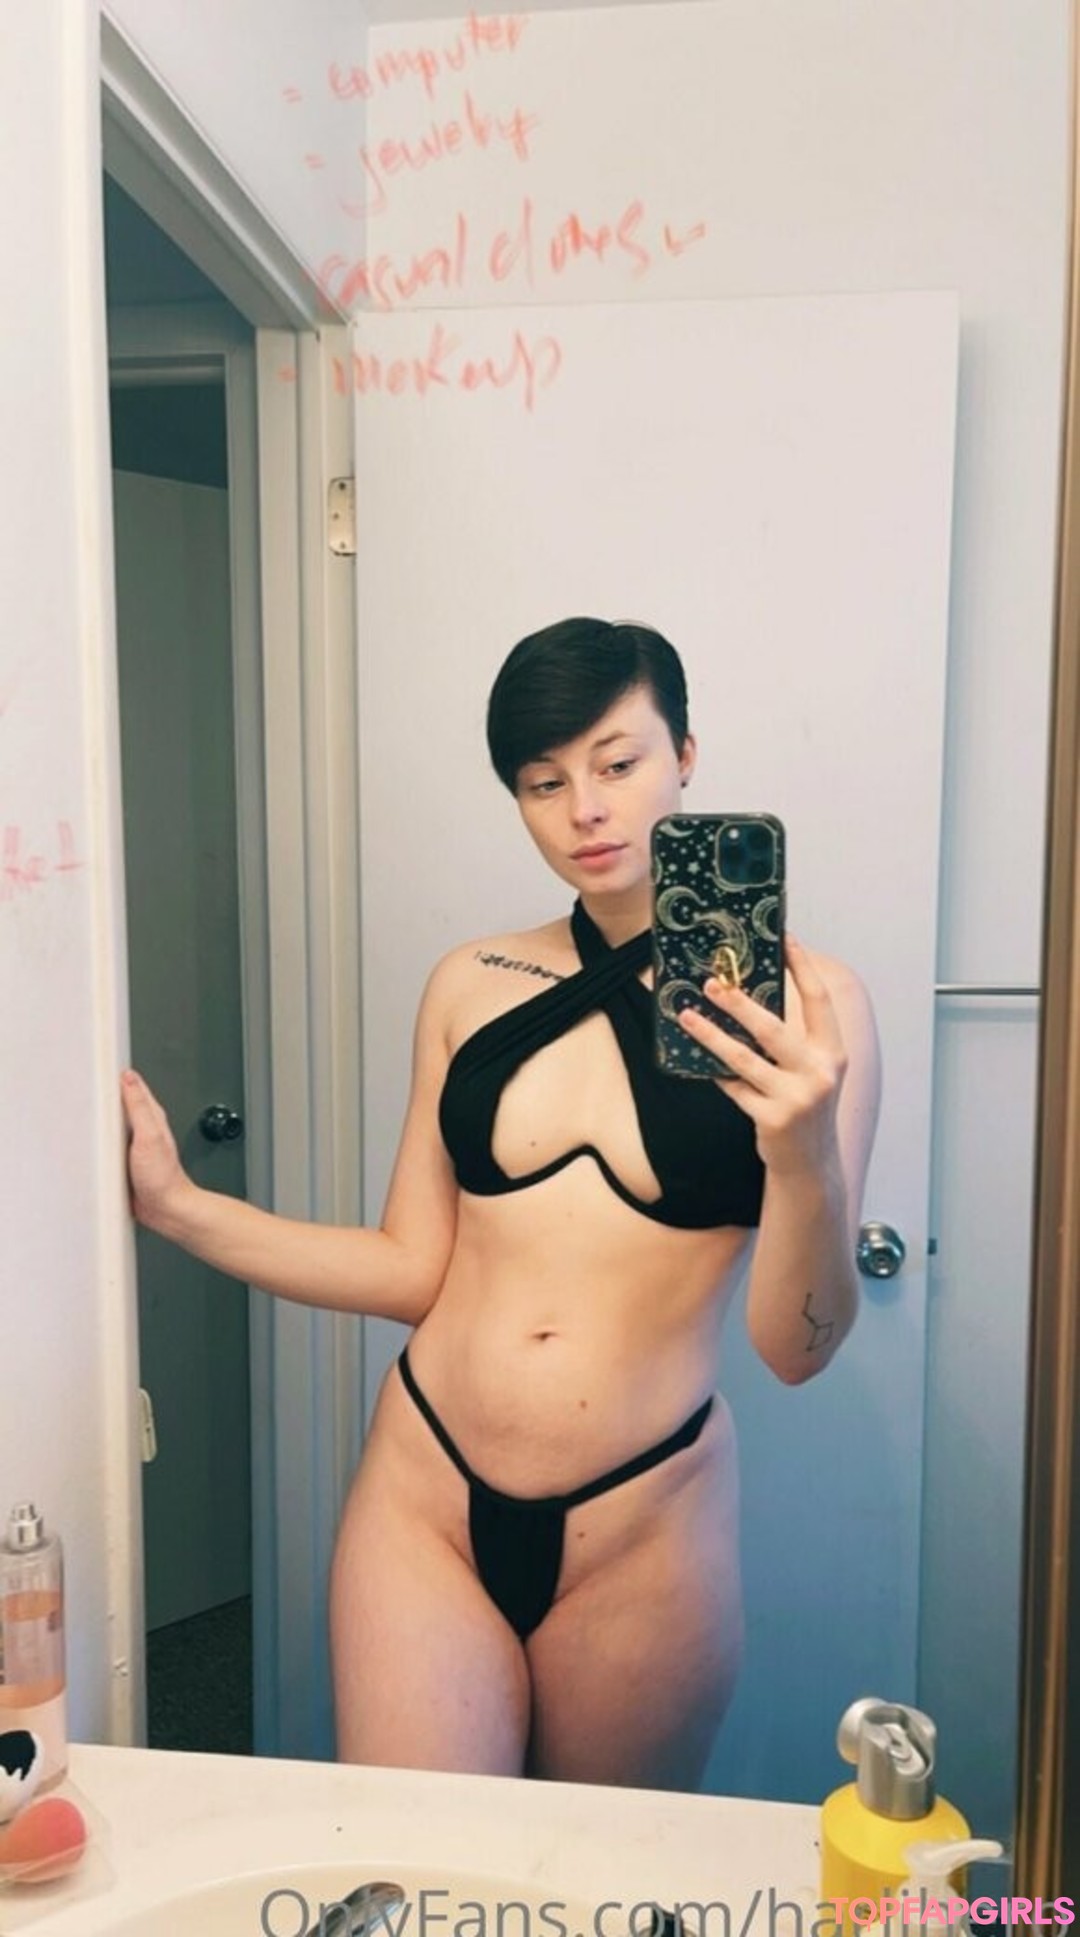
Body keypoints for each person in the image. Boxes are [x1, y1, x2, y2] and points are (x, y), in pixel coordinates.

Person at [122, 616, 880, 1791]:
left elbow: (797, 1347)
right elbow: (409, 1265)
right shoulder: (470, 982)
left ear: (686, 754)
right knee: (421, 1861)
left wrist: (803, 1156)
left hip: (644, 1521)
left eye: (618, 762)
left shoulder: (815, 1011)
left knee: (588, 1873)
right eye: (544, 781)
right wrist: (179, 1207)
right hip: (422, 1490)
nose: (586, 809)